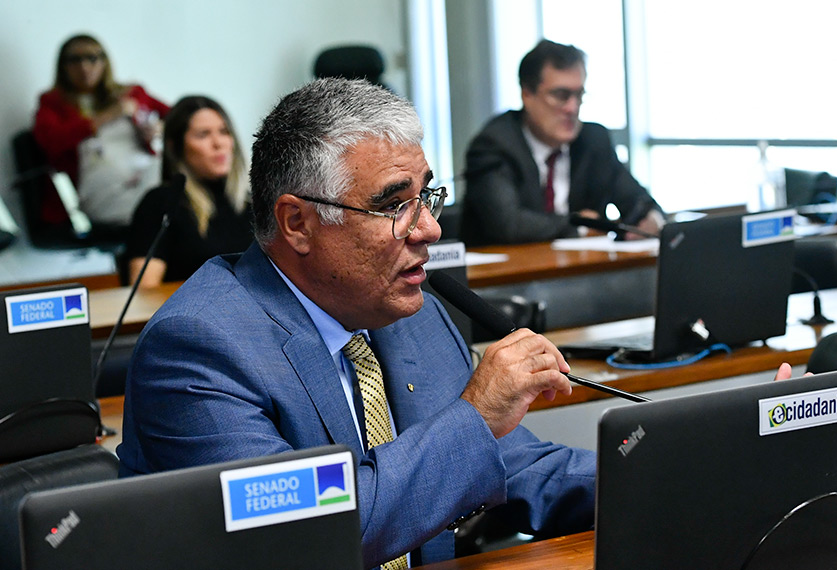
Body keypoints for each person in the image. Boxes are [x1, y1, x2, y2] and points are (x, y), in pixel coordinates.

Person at [117, 78, 598, 568]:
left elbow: (516, 465)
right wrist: (474, 417)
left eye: (426, 195)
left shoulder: (411, 314)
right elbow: (311, 536)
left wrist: (657, 472)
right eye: (392, 205)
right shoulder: (198, 348)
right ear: (298, 223)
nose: (429, 228)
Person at [461, 39, 664, 246]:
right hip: (506, 274)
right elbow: (507, 224)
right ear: (527, 94)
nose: (572, 108)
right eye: (561, 95)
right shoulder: (494, 144)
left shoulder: (593, 140)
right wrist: (580, 224)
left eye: (579, 95)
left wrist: (651, 219)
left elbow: (638, 200)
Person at [32, 34, 169, 237]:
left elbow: (182, 118)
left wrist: (157, 128)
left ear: (105, 61)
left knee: (174, 174)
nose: (84, 66)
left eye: (92, 58)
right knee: (168, 207)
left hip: (145, 178)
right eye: (74, 60)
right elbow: (51, 142)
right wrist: (105, 117)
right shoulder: (52, 103)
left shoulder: (132, 94)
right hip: (100, 194)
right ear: (63, 66)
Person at [125, 95, 252, 288]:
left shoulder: (254, 203)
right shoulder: (161, 203)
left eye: (224, 132)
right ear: (175, 147)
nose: (219, 143)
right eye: (203, 134)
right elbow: (144, 291)